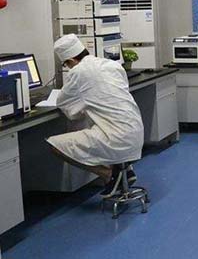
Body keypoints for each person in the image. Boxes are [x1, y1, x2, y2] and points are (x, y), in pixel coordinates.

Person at [47, 34, 144, 197]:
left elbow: (64, 103)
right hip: (136, 130)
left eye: (66, 65)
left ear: (70, 61)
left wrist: (81, 107)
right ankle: (125, 170)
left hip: (117, 138)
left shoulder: (77, 72)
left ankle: (108, 174)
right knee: (97, 122)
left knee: (55, 145)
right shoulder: (111, 65)